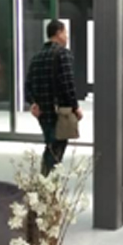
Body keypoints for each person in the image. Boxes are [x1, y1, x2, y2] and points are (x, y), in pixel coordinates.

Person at [25, 20, 83, 174]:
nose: (67, 37)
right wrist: (75, 107)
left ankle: (44, 180)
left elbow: (28, 84)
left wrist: (33, 103)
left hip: (43, 112)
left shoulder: (37, 57)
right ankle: (46, 181)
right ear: (58, 33)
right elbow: (67, 83)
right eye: (65, 33)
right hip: (59, 111)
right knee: (56, 148)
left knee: (51, 145)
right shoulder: (63, 54)